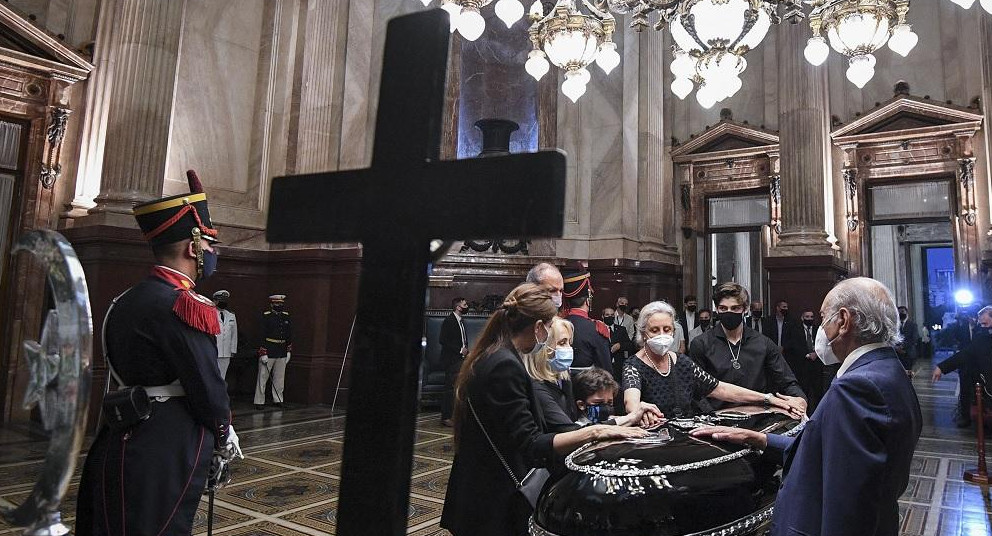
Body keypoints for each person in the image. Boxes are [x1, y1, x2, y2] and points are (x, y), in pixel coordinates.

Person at [692, 277, 922, 536]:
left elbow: (846, 498)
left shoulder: (856, 386)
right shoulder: (889, 370)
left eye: (824, 318)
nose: (822, 328)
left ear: (844, 321)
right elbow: (825, 450)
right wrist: (759, 439)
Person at [76, 170, 238, 536]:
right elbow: (206, 386)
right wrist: (223, 432)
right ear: (192, 247)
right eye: (209, 246)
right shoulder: (183, 304)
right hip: (166, 441)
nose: (212, 255)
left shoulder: (126, 299)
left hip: (121, 431)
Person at [440, 283, 648, 536]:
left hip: (480, 491)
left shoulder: (494, 354)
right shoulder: (505, 364)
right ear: (538, 327)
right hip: (492, 500)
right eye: (549, 327)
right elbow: (531, 444)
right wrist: (597, 432)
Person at [623, 301, 805, 420]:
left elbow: (721, 388)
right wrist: (639, 409)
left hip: (686, 439)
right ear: (643, 333)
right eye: (655, 330)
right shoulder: (633, 365)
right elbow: (631, 401)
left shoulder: (681, 361)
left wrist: (769, 399)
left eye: (667, 329)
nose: (662, 335)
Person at [689, 283, 806, 411]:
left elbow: (787, 381)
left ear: (745, 310)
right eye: (723, 308)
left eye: (735, 308)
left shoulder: (763, 343)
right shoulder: (701, 344)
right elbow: (696, 390)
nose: (729, 312)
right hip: (716, 419)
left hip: (757, 418)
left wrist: (799, 400)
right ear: (716, 309)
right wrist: (711, 417)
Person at [931, 305, 992, 428]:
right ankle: (966, 417)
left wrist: (941, 367)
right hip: (972, 370)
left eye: (985, 323)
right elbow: (967, 353)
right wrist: (942, 367)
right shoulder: (982, 335)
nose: (983, 327)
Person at [561, 269, 612, 373]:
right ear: (588, 301)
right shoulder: (596, 328)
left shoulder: (557, 324)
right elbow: (605, 367)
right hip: (587, 385)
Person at [574, 368, 659, 426]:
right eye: (599, 403)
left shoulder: (614, 420)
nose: (606, 407)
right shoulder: (578, 429)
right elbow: (594, 430)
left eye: (609, 403)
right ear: (581, 404)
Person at [255, 294, 293, 409]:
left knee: (279, 378)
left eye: (281, 304)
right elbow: (261, 334)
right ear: (272, 304)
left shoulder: (286, 317)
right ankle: (259, 401)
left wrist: (288, 350)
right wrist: (263, 352)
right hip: (269, 349)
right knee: (263, 376)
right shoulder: (266, 316)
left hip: (281, 350)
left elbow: (289, 334)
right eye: (277, 304)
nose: (279, 305)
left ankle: (278, 399)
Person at [440, 297, 470, 427]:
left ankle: (456, 415)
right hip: (452, 360)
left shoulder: (461, 321)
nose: (466, 306)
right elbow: (443, 340)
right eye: (464, 304)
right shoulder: (449, 321)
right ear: (458, 307)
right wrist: (460, 350)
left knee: (459, 387)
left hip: (460, 359)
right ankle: (446, 417)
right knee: (450, 389)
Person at [798, 310, 824, 409]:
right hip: (803, 364)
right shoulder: (797, 329)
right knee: (805, 390)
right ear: (802, 318)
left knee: (817, 391)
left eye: (811, 317)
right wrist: (807, 355)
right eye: (807, 317)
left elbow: (824, 344)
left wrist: (816, 354)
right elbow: (794, 346)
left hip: (816, 364)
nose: (809, 319)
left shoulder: (818, 329)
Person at [603, 307, 634, 381]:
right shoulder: (598, 329)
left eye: (612, 315)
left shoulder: (621, 329)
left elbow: (630, 345)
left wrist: (620, 345)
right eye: (607, 315)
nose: (610, 317)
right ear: (602, 316)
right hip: (603, 365)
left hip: (618, 366)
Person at [213, 289, 238, 381]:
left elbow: (234, 334)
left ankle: (220, 394)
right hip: (215, 350)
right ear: (215, 301)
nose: (223, 303)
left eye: (225, 301)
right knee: (213, 375)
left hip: (226, 351)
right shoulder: (210, 314)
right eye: (221, 301)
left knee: (223, 376)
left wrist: (233, 349)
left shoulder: (231, 315)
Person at [896, 305, 919, 373]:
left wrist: (902, 346)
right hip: (897, 354)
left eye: (902, 311)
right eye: (899, 312)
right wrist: (897, 348)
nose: (901, 313)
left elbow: (914, 339)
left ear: (906, 312)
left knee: (908, 373)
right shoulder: (895, 325)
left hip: (908, 353)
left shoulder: (912, 325)